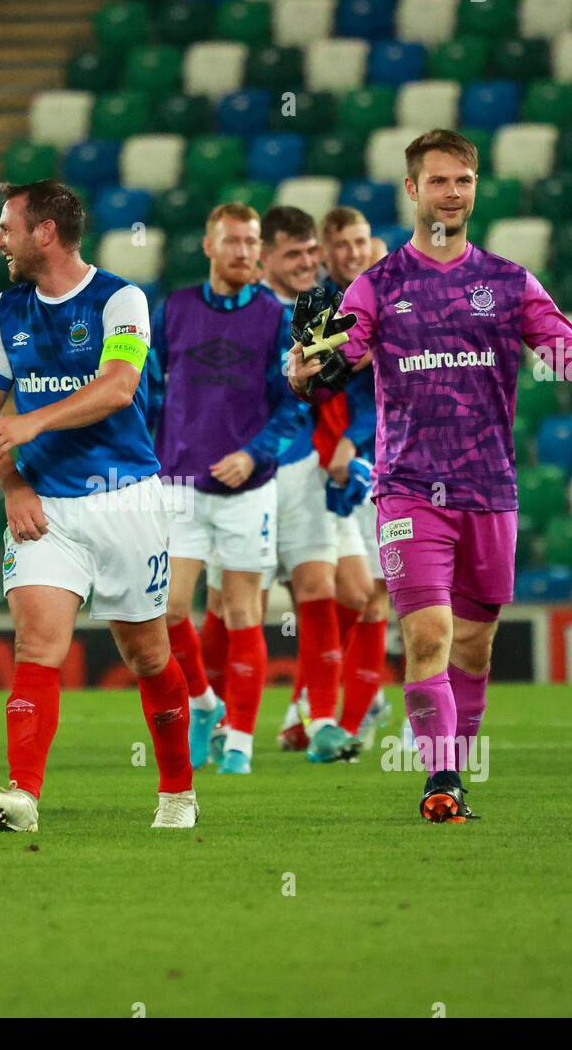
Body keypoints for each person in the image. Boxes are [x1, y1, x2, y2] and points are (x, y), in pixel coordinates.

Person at [288, 129, 572, 821]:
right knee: (428, 632)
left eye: (462, 181)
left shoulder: (509, 282)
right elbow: (336, 359)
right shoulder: (378, 285)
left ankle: (454, 765)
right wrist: (306, 371)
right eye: (438, 181)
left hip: (490, 490)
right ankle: (441, 782)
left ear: (475, 188)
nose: (451, 193)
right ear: (412, 190)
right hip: (406, 485)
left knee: (473, 641)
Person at [0, 179, 195, 832]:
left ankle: (177, 793)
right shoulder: (5, 310)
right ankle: (24, 798)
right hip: (45, 507)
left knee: (147, 656)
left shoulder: (120, 299)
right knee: (38, 645)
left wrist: (32, 423)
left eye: (8, 228)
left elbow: (120, 387)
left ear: (45, 232)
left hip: (125, 500)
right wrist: (12, 486)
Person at [148, 202, 305, 775]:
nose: (244, 251)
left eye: (252, 241)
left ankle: (239, 741)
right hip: (181, 484)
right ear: (209, 247)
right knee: (165, 610)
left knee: (243, 616)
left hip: (248, 488)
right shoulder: (174, 310)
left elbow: (294, 408)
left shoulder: (275, 317)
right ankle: (203, 704)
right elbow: (147, 389)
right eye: (233, 241)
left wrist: (253, 453)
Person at [253, 206, 345, 757]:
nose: (308, 262)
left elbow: (346, 392)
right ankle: (220, 716)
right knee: (241, 603)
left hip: (307, 467)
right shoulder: (249, 312)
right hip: (250, 474)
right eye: (294, 253)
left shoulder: (327, 312)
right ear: (265, 257)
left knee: (321, 590)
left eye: (313, 252)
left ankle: (321, 721)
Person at [313, 206, 392, 760]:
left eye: (360, 241)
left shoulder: (390, 293)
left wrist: (357, 440)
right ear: (326, 250)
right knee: (344, 591)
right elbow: (326, 375)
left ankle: (349, 719)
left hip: (384, 454)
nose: (353, 251)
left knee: (377, 593)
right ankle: (318, 710)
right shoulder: (316, 305)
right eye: (342, 243)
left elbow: (384, 377)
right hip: (326, 459)